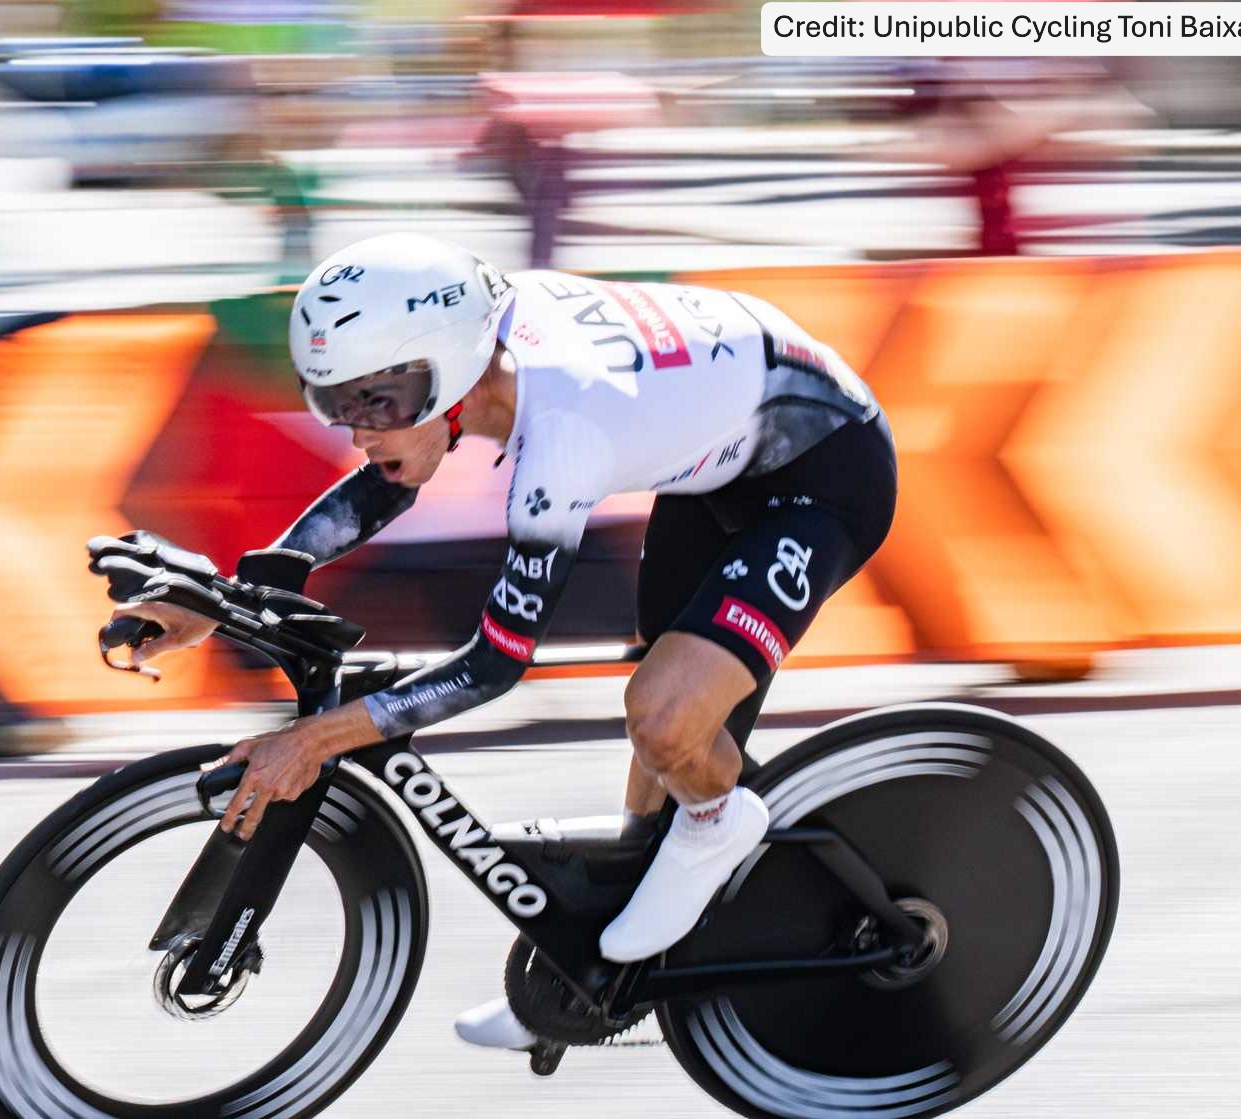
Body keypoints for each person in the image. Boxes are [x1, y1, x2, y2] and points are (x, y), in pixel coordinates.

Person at [116, 232, 897, 1052]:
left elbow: (494, 665)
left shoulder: (564, 433)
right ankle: (592, 976)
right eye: (335, 403)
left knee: (663, 716)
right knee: (660, 742)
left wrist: (318, 737)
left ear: (448, 377)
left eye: (376, 403)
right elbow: (387, 480)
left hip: (824, 472)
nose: (357, 431)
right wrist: (232, 600)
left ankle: (717, 818)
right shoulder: (471, 344)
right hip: (717, 460)